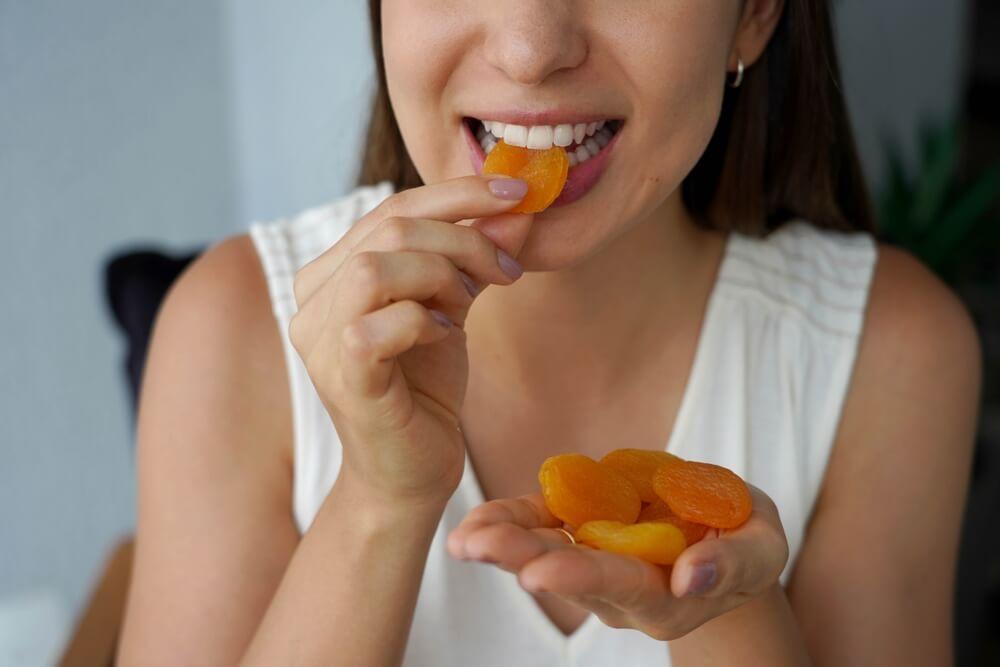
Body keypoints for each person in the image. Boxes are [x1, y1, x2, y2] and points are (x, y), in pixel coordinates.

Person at [117, 1, 982, 665]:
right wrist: (379, 501)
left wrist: (726, 608)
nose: (530, 50)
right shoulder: (229, 325)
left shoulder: (891, 349)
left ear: (754, 13)